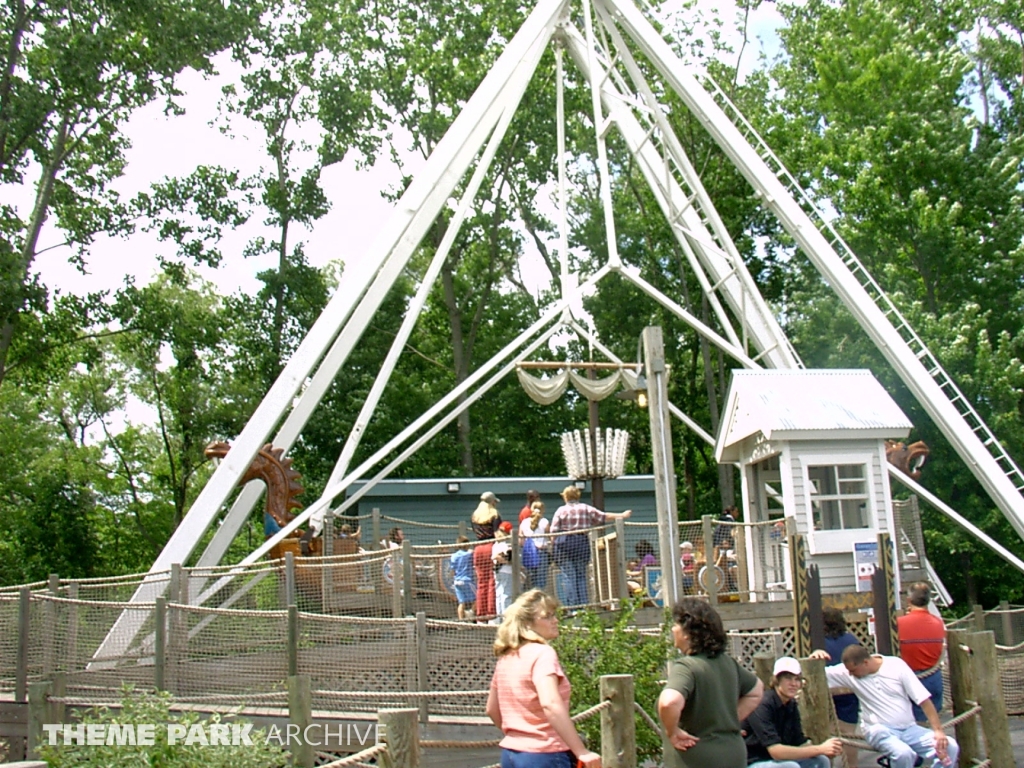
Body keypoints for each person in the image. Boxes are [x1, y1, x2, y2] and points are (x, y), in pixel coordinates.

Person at [486, 589, 601, 768]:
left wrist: (520, 736)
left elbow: (491, 709)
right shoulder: (543, 653)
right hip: (546, 753)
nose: (555, 621)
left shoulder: (506, 657)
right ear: (527, 624)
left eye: (554, 615)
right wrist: (581, 751)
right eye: (547, 617)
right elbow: (550, 703)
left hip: (511, 754)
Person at [809, 644, 958, 768]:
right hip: (878, 729)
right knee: (903, 753)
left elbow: (923, 699)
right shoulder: (848, 672)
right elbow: (812, 673)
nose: (851, 674)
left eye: (853, 671)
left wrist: (938, 731)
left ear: (865, 663)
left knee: (950, 746)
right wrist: (814, 657)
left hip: (909, 728)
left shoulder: (896, 665)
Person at [657, 597, 764, 768]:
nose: (672, 629)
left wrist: (672, 731)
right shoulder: (729, 664)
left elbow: (669, 702)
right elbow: (757, 690)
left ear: (688, 632)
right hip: (734, 754)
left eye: (676, 624)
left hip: (697, 757)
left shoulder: (687, 667)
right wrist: (730, 721)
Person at [742, 656, 843, 768]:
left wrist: (828, 749)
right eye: (788, 678)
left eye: (797, 679)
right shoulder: (763, 704)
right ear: (776, 680)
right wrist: (820, 749)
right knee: (790, 766)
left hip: (778, 761)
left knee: (821, 760)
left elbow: (799, 743)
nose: (793, 684)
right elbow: (776, 752)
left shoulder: (791, 704)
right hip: (752, 762)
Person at [549, 485, 631, 607]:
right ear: (578, 495)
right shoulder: (585, 508)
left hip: (565, 543)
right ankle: (584, 606)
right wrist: (622, 515)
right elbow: (603, 516)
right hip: (581, 542)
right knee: (581, 575)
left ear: (565, 497)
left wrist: (553, 546)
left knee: (568, 576)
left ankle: (573, 606)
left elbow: (553, 531)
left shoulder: (561, 510)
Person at [897, 581, 946, 722]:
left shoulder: (899, 623)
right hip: (933, 677)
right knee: (934, 722)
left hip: (910, 679)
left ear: (909, 600)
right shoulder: (938, 623)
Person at [822, 607, 861, 767]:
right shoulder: (852, 640)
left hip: (826, 690)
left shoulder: (819, 642)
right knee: (849, 734)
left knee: (826, 735)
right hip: (849, 690)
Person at [472, 491, 502, 620]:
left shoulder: (475, 515)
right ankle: (491, 613)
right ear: (492, 502)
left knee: (481, 581)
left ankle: (481, 613)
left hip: (478, 548)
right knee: (492, 580)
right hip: (491, 547)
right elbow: (497, 534)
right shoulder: (494, 515)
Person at [520, 501, 550, 590]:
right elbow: (550, 537)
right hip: (541, 552)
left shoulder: (524, 522)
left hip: (528, 552)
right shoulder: (545, 522)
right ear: (543, 510)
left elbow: (520, 539)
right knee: (541, 579)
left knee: (529, 578)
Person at [449, 535, 476, 620]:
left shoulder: (454, 556)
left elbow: (452, 571)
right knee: (477, 598)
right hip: (467, 580)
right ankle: (470, 613)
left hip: (457, 581)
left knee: (461, 603)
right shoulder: (469, 554)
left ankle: (461, 621)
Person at [493, 521, 515, 619]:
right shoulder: (504, 545)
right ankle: (506, 617)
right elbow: (497, 556)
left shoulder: (495, 544)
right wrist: (508, 562)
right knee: (506, 594)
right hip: (506, 571)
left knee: (499, 594)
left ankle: (500, 616)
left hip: (497, 572)